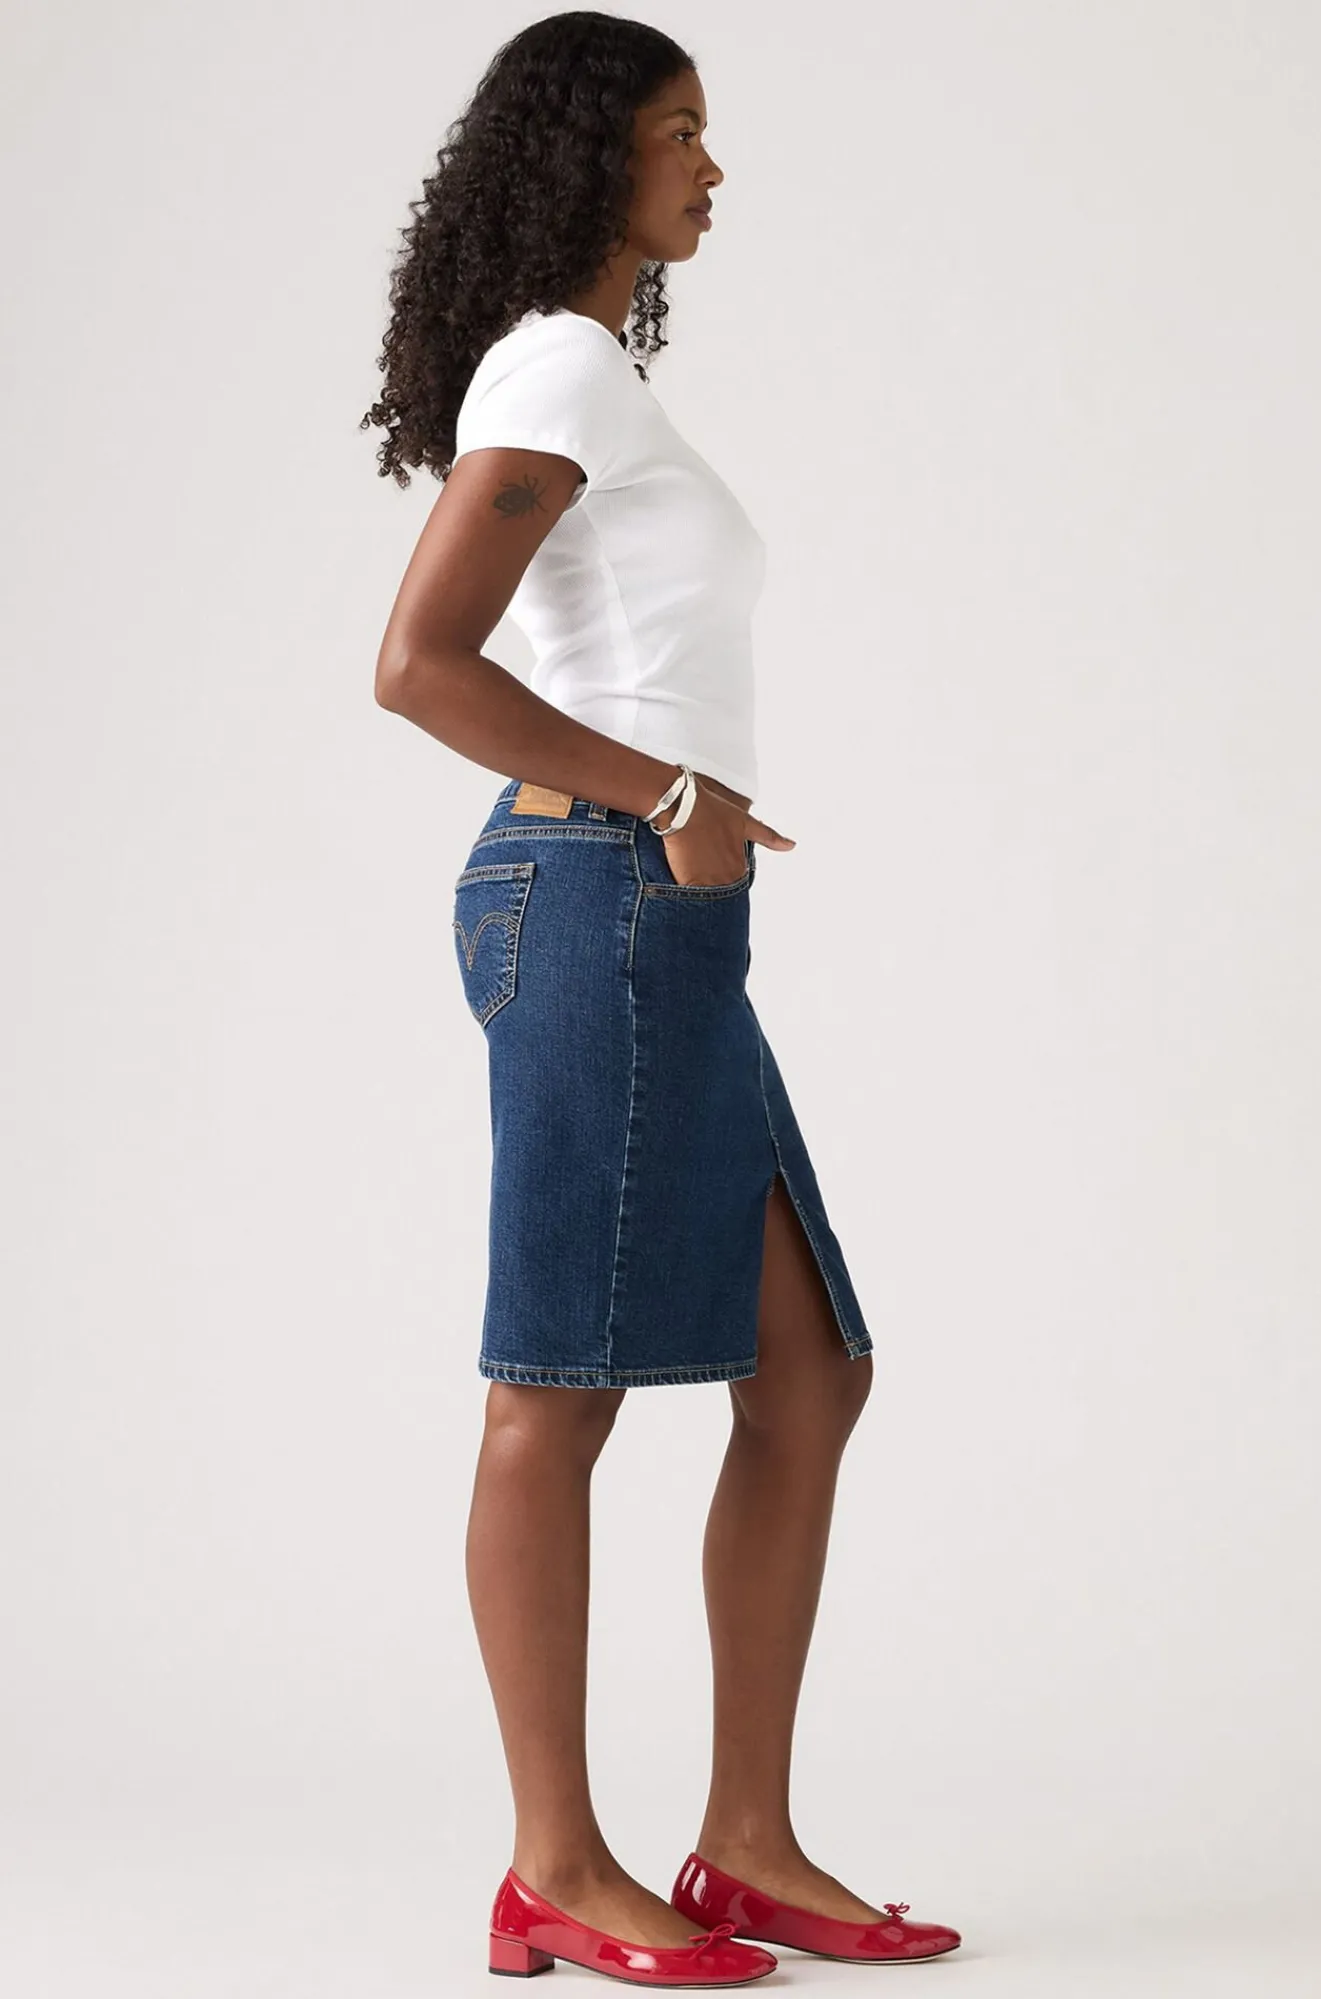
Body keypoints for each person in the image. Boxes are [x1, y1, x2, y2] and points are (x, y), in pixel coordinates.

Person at [363, 11, 961, 1986]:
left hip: (655, 912)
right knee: (559, 1386)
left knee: (810, 1373)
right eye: (679, 132)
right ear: (587, 156)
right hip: (593, 894)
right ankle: (553, 1862)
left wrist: (687, 824)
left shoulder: (598, 377)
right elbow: (420, 662)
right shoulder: (554, 363)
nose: (712, 169)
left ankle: (747, 1842)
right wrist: (677, 796)